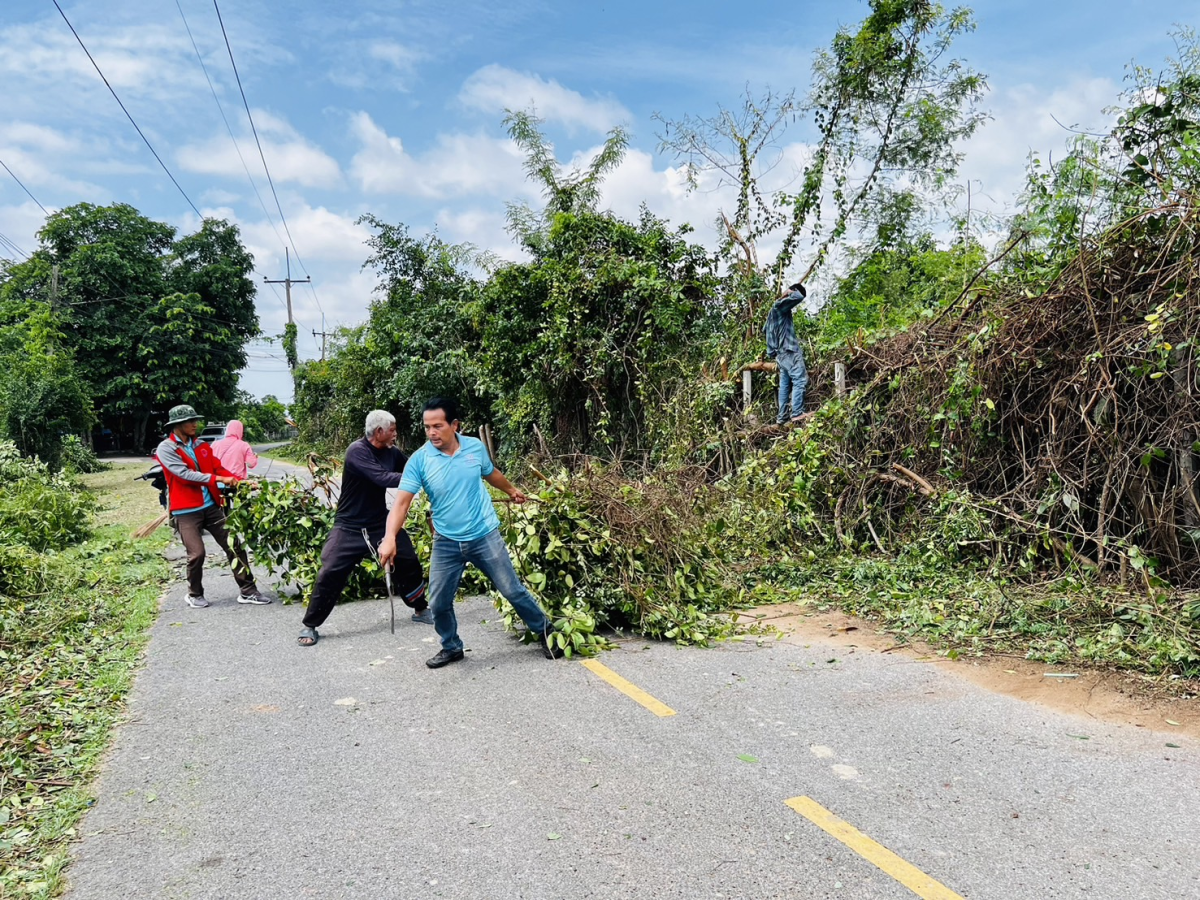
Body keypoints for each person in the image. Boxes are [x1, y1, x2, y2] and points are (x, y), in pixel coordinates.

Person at [377, 397, 560, 668]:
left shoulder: (474, 447)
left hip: (484, 535)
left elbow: (490, 473)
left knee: (512, 589)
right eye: (427, 427)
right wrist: (390, 537)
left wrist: (510, 490)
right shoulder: (419, 460)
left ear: (454, 425)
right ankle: (451, 647)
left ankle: (547, 632)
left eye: (437, 426)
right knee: (438, 603)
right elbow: (402, 502)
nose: (431, 433)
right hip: (446, 541)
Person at [297, 410, 429, 647]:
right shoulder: (357, 451)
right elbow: (383, 478)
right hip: (349, 526)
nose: (396, 434)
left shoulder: (392, 452)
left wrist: (432, 473)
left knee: (408, 559)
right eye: (392, 430)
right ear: (379, 432)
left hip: (380, 523)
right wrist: (418, 479)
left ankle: (420, 608)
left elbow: (412, 467)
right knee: (330, 571)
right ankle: (311, 624)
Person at [155, 404, 269, 609]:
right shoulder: (166, 448)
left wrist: (240, 481)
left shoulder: (202, 446)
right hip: (186, 511)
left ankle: (248, 591)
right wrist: (220, 479)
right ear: (177, 425)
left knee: (234, 545)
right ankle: (194, 593)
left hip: (211, 507)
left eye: (195, 420)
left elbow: (218, 467)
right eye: (190, 421)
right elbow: (185, 475)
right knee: (197, 553)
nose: (195, 424)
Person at [764, 282, 810, 424]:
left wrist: (772, 352)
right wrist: (789, 292)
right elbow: (799, 296)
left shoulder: (772, 313)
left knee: (784, 384)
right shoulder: (779, 306)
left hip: (780, 355)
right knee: (800, 380)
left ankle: (782, 417)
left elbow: (765, 330)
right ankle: (797, 413)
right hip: (789, 351)